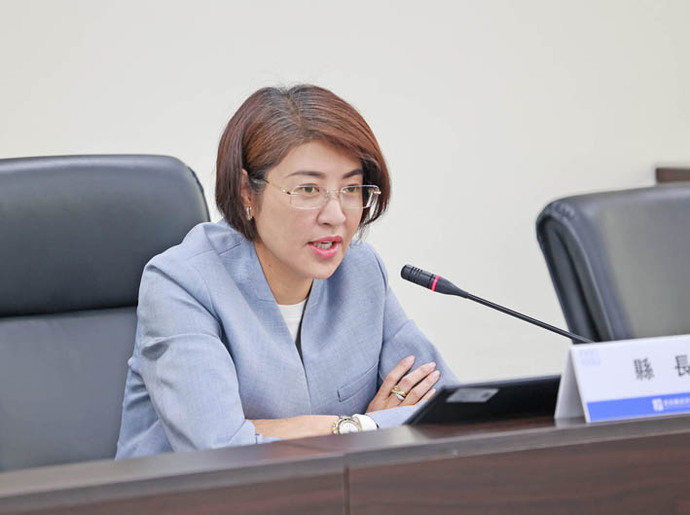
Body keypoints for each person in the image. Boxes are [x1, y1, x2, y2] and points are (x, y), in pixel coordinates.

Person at [116, 85, 458, 458]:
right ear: (247, 191)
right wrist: (361, 426)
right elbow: (223, 453)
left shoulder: (361, 271)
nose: (336, 216)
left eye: (351, 188)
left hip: (334, 488)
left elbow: (451, 410)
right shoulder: (181, 283)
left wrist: (353, 427)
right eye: (308, 189)